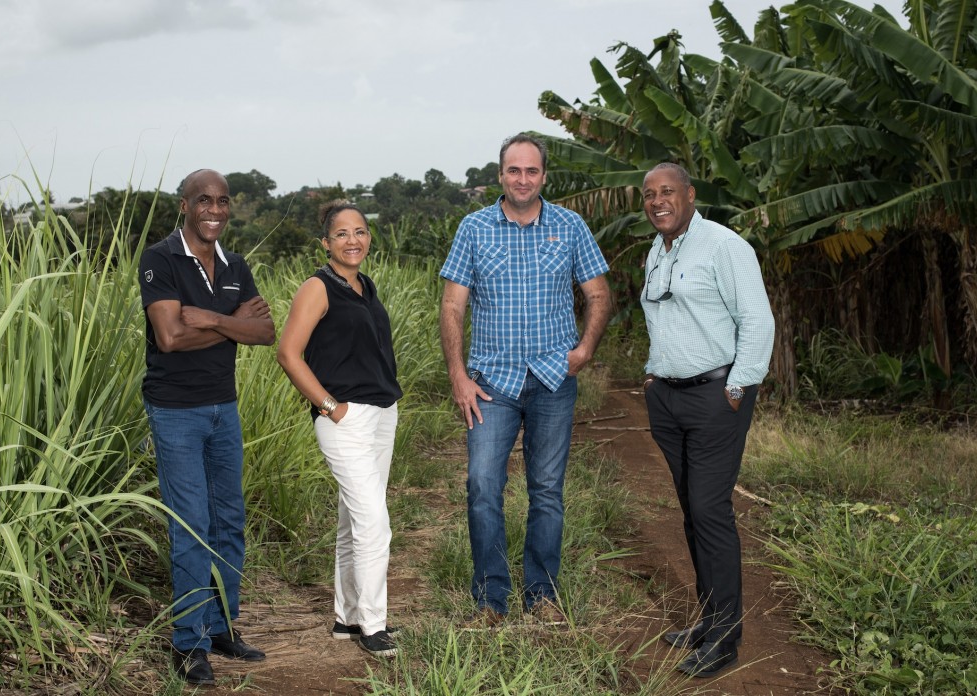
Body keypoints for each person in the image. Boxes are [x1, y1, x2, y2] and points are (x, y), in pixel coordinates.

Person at [439, 133, 611, 628]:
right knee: (482, 485)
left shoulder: (569, 225)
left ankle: (542, 595)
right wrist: (458, 375)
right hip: (490, 382)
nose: (522, 179)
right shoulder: (474, 228)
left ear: (543, 176)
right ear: (500, 175)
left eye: (531, 171)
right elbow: (453, 305)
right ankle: (491, 601)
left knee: (548, 490)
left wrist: (585, 350)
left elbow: (599, 294)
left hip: (554, 380)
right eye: (513, 170)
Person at [638, 163, 775, 678]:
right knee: (692, 512)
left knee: (710, 510)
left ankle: (725, 638)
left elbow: (758, 321)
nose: (657, 201)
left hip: (717, 396)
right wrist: (653, 376)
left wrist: (737, 388)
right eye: (649, 195)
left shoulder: (724, 245)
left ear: (690, 195)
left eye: (667, 191)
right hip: (668, 400)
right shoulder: (659, 249)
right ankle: (708, 618)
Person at [139, 169, 274, 686]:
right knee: (191, 526)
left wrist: (213, 319)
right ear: (185, 206)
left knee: (229, 521)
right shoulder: (161, 258)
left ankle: (220, 627)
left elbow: (263, 331)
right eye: (203, 201)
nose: (214, 209)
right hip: (176, 411)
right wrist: (232, 320)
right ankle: (188, 644)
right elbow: (170, 337)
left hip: (225, 408)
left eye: (222, 201)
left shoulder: (235, 265)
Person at [276, 201, 402, 658]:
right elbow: (288, 353)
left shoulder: (364, 285)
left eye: (361, 232)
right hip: (344, 418)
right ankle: (374, 624)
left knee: (355, 522)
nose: (353, 240)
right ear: (325, 243)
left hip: (381, 413)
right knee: (373, 523)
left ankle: (348, 618)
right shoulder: (318, 287)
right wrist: (329, 407)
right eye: (342, 234)